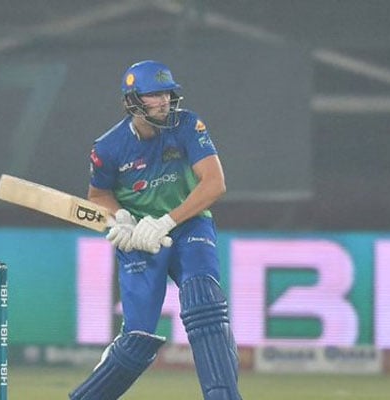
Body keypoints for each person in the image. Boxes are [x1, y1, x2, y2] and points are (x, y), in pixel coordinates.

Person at [70, 60, 243, 400]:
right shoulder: (108, 147)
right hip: (139, 239)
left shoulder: (188, 125)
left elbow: (214, 183)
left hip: (189, 225)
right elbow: (99, 196)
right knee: (137, 341)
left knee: (205, 304)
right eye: (154, 95)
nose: (164, 101)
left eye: (167, 93)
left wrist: (166, 221)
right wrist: (121, 218)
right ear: (133, 101)